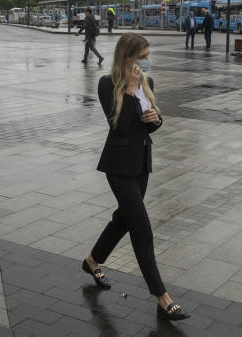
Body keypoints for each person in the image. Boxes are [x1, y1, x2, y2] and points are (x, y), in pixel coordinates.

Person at [82, 33, 189, 321]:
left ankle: (92, 261)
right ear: (127, 56)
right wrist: (131, 88)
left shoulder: (147, 83)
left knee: (124, 219)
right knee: (141, 227)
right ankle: (162, 298)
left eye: (148, 55)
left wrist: (157, 119)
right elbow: (119, 127)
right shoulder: (108, 84)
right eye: (142, 56)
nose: (146, 61)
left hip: (141, 164)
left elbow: (148, 125)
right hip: (118, 166)